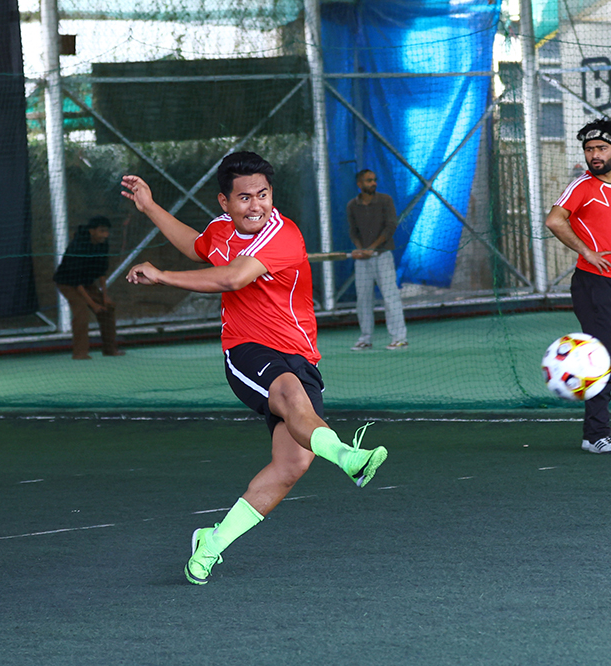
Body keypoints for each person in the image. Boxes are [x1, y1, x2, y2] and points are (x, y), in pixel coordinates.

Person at [120, 152, 389, 585]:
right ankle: (348, 456)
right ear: (224, 202)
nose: (256, 205)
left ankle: (211, 542)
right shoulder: (223, 230)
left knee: (292, 465)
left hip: (299, 355)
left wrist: (163, 275)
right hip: (246, 349)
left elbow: (231, 278)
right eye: (244, 198)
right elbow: (196, 245)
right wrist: (150, 206)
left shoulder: (283, 236)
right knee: (286, 393)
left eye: (263, 195)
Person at [544, 117, 611, 454]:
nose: (594, 155)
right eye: (589, 149)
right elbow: (554, 220)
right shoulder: (582, 186)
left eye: (600, 148)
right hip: (592, 282)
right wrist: (586, 250)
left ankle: (594, 434)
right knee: (603, 358)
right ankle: (598, 436)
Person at [347, 169, 408, 351]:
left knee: (390, 297)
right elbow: (353, 231)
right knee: (363, 299)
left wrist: (372, 248)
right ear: (360, 184)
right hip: (362, 260)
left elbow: (390, 227)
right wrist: (360, 248)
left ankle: (399, 338)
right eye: (368, 180)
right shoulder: (352, 206)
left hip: (383, 257)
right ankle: (365, 338)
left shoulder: (385, 200)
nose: (373, 183)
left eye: (374, 180)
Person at [53, 216, 123, 360]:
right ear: (92, 231)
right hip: (68, 283)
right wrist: (93, 304)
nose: (106, 235)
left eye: (107, 231)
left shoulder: (103, 244)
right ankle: (80, 353)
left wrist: (105, 297)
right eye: (102, 231)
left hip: (86, 283)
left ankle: (110, 349)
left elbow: (102, 272)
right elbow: (76, 280)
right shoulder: (77, 247)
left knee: (107, 309)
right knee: (81, 310)